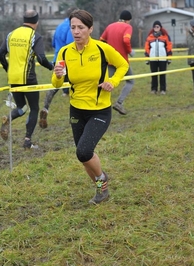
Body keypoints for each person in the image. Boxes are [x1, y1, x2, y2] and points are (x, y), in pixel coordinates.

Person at [51, 10, 129, 204]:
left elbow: (123, 65)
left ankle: (102, 178)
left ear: (90, 29)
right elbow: (56, 84)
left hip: (100, 109)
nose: (76, 32)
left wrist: (113, 81)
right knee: (83, 156)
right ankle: (101, 190)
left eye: (81, 27)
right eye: (73, 28)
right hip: (76, 109)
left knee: (84, 151)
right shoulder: (65, 52)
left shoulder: (102, 48)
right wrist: (59, 74)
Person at [0, 10, 54, 148]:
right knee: (34, 108)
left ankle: (8, 119)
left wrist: (7, 68)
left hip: (13, 77)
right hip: (29, 78)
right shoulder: (35, 36)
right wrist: (52, 67)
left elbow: (0, 54)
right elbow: (41, 58)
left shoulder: (11, 34)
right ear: (37, 22)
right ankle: (27, 141)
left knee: (21, 108)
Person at [38, 7, 78, 129]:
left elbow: (54, 44)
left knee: (55, 86)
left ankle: (45, 108)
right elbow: (72, 45)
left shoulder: (60, 26)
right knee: (76, 86)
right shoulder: (72, 28)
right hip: (69, 60)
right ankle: (75, 117)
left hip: (57, 59)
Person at [99, 10, 135, 115]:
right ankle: (119, 102)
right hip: (122, 61)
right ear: (128, 20)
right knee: (130, 81)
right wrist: (130, 51)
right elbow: (126, 40)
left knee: (104, 83)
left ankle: (96, 104)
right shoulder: (127, 27)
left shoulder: (110, 26)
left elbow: (101, 40)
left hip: (109, 61)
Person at [144, 20, 173, 95]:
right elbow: (147, 48)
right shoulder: (149, 37)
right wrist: (147, 58)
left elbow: (169, 47)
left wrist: (169, 57)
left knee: (162, 74)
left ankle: (163, 89)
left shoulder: (165, 37)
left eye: (157, 26)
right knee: (154, 74)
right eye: (155, 27)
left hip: (162, 59)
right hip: (153, 58)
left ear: (160, 27)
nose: (156, 28)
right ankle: (154, 89)